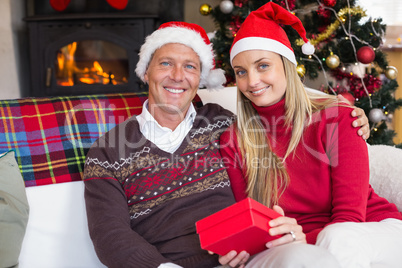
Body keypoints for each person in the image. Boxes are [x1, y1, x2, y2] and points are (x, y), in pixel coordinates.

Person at [83, 21, 370, 268]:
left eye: (190, 67)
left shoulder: (225, 125)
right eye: (166, 63)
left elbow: (286, 119)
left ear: (200, 79)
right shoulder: (108, 151)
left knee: (307, 260)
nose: (177, 76)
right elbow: (109, 234)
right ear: (146, 72)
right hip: (165, 263)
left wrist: (349, 116)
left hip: (246, 257)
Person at [218, 2, 402, 268]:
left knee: (337, 238)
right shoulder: (233, 141)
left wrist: (301, 238)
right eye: (241, 72)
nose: (252, 81)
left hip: (374, 230)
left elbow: (349, 218)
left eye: (263, 66)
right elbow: (253, 222)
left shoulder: (337, 118)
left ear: (286, 65)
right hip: (296, 246)